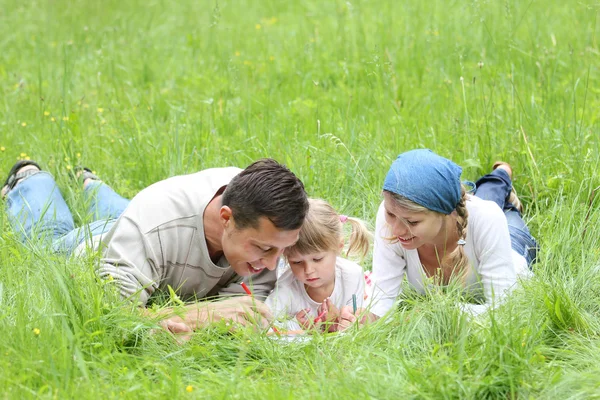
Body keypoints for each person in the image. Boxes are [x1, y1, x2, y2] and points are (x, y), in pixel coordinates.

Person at [2, 158, 309, 335]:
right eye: (263, 249)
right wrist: (201, 316)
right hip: (96, 243)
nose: (272, 265)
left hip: (145, 227)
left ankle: (93, 187)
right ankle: (30, 180)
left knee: (125, 214)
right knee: (45, 239)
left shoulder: (263, 213)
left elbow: (241, 315)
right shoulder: (153, 226)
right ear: (226, 219)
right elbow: (115, 317)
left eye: (282, 251)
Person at [367, 149, 538, 319]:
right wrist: (359, 321)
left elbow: (503, 310)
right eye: (390, 214)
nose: (396, 231)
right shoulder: (392, 212)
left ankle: (503, 176)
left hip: (513, 242)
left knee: (495, 207)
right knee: (485, 199)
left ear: (448, 212)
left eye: (412, 222)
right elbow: (381, 303)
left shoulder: (488, 218)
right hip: (470, 213)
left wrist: (436, 313)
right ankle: (500, 176)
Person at [266, 198, 370, 332]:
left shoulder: (352, 276)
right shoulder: (287, 287)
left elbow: (357, 323)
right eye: (297, 262)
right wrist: (299, 326)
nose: (308, 270)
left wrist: (339, 322)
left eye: (317, 259)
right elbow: (265, 326)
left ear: (338, 247)